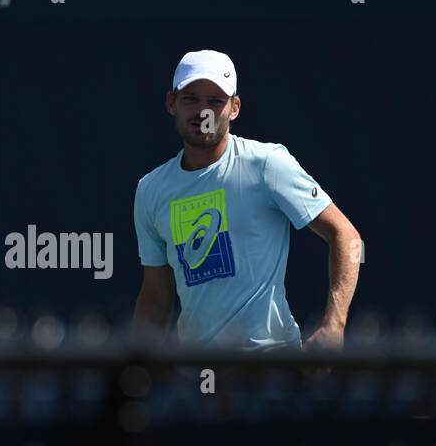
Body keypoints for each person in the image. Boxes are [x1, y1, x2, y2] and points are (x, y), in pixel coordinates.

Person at [132, 49, 361, 351]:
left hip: (273, 371)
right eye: (191, 98)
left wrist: (334, 326)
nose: (203, 111)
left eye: (215, 101)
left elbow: (345, 235)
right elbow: (155, 295)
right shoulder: (150, 190)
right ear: (171, 103)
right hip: (196, 378)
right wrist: (133, 372)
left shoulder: (267, 164)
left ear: (235, 107)